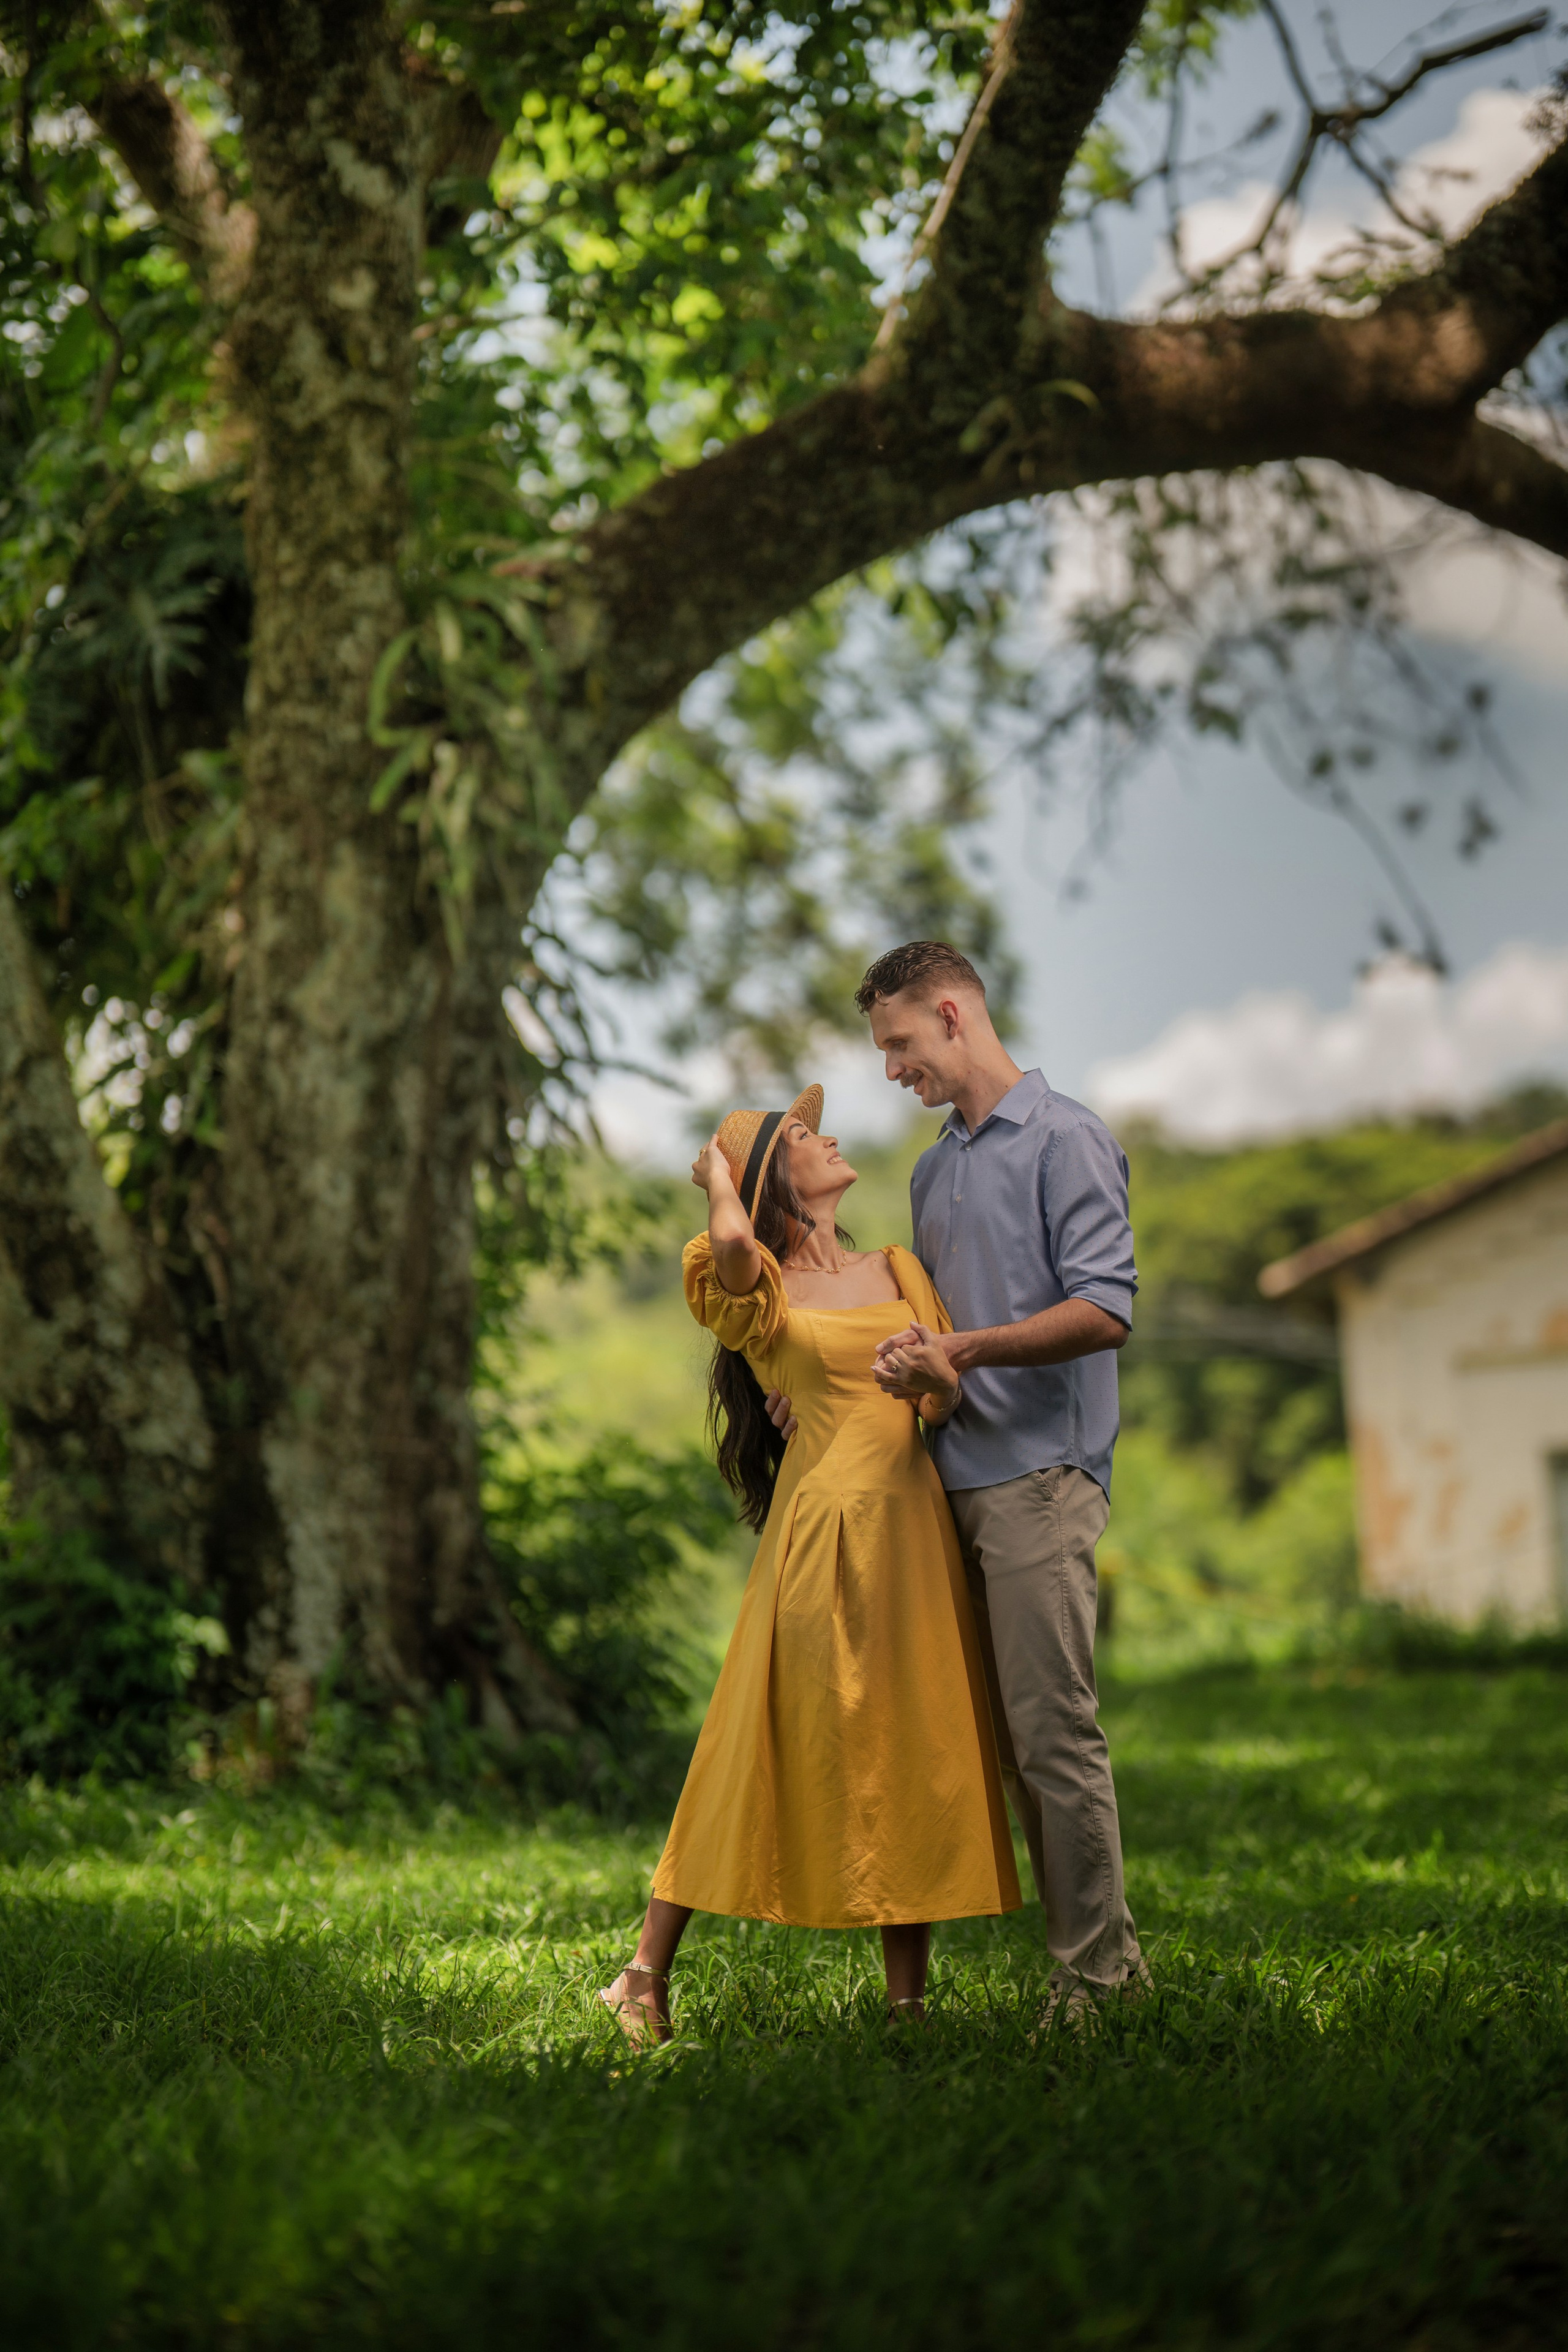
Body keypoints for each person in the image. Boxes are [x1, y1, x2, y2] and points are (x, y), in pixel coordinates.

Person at [769, 944, 1145, 2024]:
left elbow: (1106, 1309)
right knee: (1000, 1748)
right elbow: (906, 1328)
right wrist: (826, 1383)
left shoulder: (1068, 1139)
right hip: (942, 1485)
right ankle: (1099, 1961)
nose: (891, 1069)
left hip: (1040, 1475)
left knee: (1051, 1732)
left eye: (897, 1044)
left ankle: (1096, 1983)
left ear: (949, 1014)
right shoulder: (936, 1170)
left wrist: (963, 1355)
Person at [600, 1085, 1020, 2046]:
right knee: (756, 1738)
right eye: (800, 1135)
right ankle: (641, 1974)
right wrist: (717, 1180)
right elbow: (738, 1252)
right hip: (819, 1537)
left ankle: (908, 2007)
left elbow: (942, 1401)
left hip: (912, 1532)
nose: (826, 1136)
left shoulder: (898, 1267)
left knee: (906, 1745)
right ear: (766, 1180)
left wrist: (937, 1386)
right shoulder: (752, 1285)